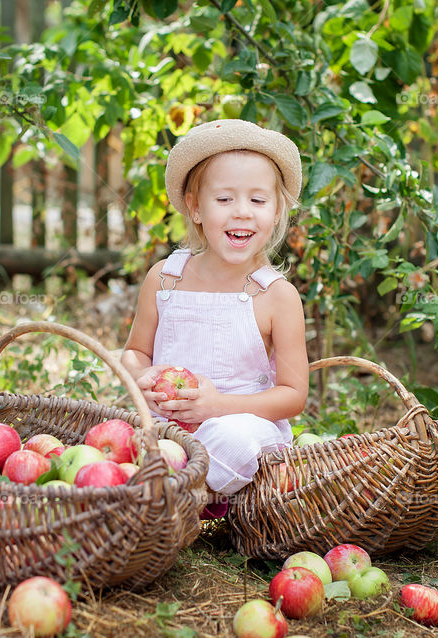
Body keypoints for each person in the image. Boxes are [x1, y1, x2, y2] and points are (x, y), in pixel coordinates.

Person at [121, 119, 309, 519]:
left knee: (234, 440)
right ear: (196, 207)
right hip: (167, 421)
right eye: (224, 199)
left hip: (240, 422)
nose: (242, 212)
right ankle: (153, 489)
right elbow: (136, 351)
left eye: (258, 201)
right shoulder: (165, 278)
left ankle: (170, 507)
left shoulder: (276, 295)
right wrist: (143, 378)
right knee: (122, 432)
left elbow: (294, 395)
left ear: (277, 212)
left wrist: (216, 405)